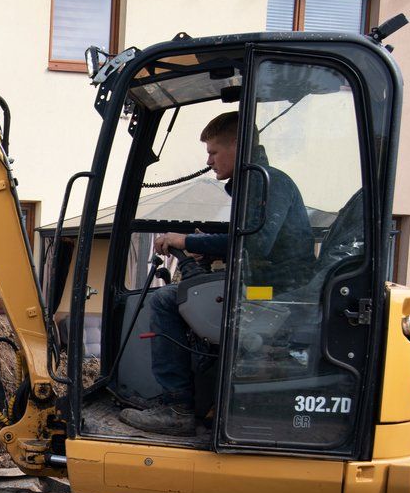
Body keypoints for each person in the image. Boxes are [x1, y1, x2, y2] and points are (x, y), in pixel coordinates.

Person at [120, 110, 314, 436]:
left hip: (272, 292)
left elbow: (254, 243)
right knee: (185, 297)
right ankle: (194, 397)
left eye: (213, 151)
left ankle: (177, 406)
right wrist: (205, 246)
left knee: (168, 300)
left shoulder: (267, 182)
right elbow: (244, 237)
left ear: (237, 145)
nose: (208, 160)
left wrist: (186, 240)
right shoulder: (255, 182)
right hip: (262, 286)